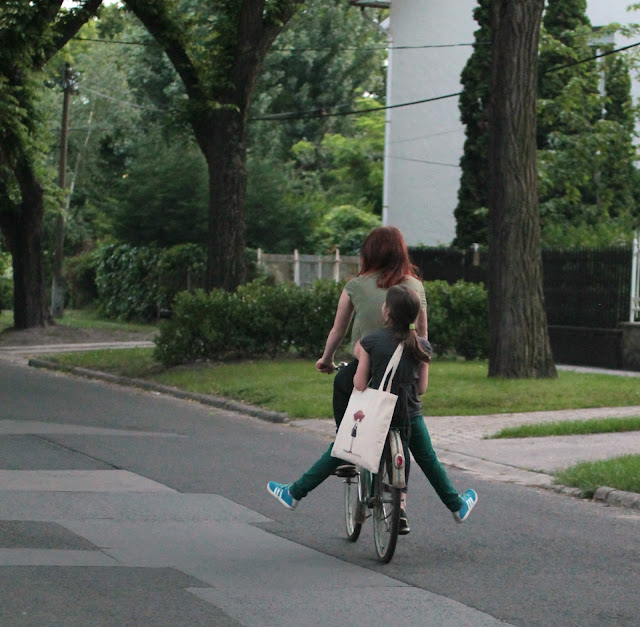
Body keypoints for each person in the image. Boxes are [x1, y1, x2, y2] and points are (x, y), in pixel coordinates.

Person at [267, 227, 477, 530]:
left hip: (372, 383)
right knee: (426, 456)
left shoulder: (356, 288)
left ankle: (318, 474)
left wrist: (326, 359)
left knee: (345, 430)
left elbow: (339, 333)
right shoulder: (415, 288)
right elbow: (423, 342)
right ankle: (446, 506)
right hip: (407, 398)